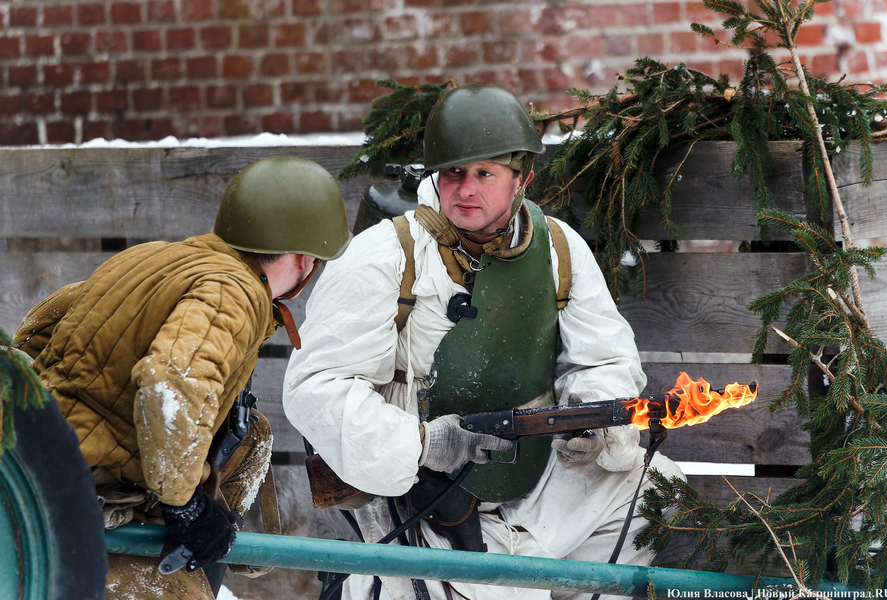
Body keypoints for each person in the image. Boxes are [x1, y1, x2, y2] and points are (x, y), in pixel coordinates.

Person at [283, 83, 685, 600]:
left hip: (535, 476)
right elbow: (315, 387)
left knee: (658, 492)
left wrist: (593, 414)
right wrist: (427, 444)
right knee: (505, 591)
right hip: (423, 493)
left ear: (523, 178)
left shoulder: (561, 249)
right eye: (453, 172)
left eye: (484, 174)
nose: (465, 189)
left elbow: (604, 356)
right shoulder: (386, 256)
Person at [14, 155, 352, 600]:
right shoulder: (235, 293)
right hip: (80, 495)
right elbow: (171, 383)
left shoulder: (156, 257)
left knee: (251, 436)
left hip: (36, 462)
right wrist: (186, 506)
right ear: (304, 258)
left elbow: (36, 330)